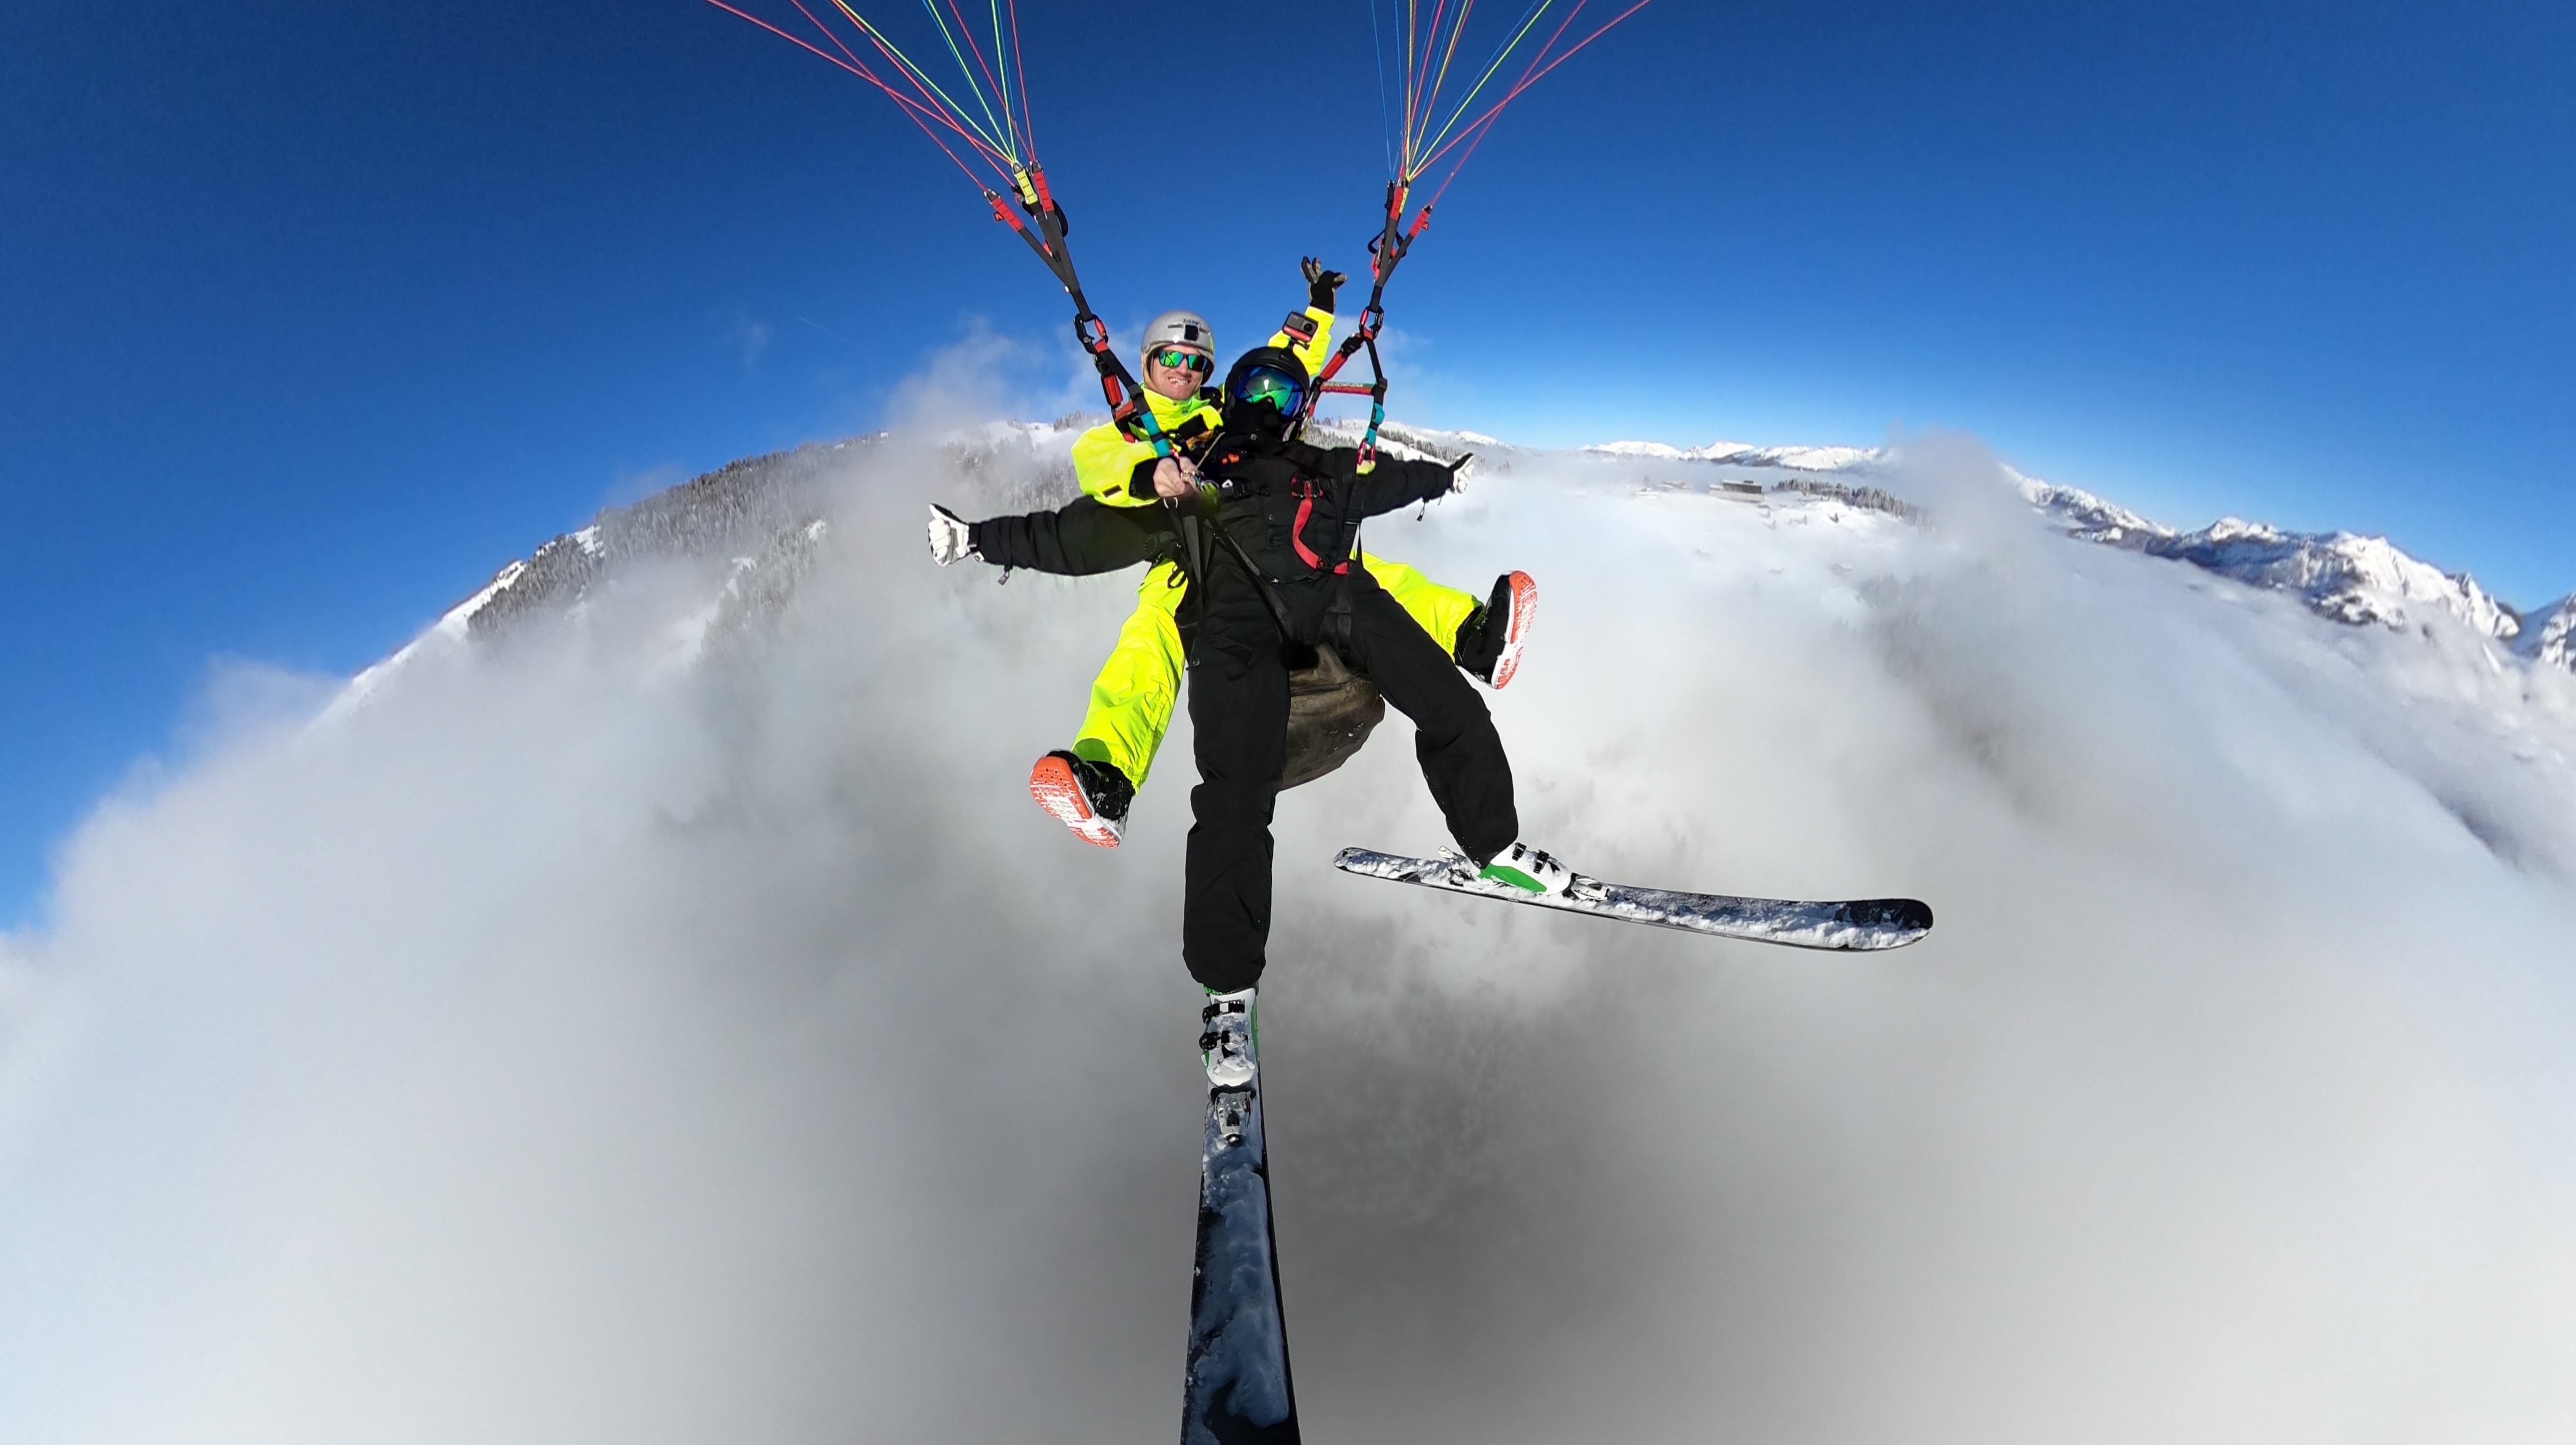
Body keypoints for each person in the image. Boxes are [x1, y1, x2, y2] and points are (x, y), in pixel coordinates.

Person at [927, 262, 1537, 847]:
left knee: (1368, 575)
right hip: (1191, 563)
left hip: (1277, 545)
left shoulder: (1223, 413)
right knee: (1148, 644)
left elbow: (1284, 365)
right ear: (1146, 363)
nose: (1183, 370)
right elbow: (1091, 486)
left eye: (1196, 362)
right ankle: (1106, 776)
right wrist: (1147, 477)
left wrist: (1319, 308)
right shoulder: (1128, 431)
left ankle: (1472, 636)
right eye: (1170, 357)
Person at [1169, 345, 1571, 1084]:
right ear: (1231, 397)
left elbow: (1383, 480)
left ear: (1301, 408)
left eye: (1283, 394)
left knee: (1451, 705)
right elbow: (1107, 514)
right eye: (1254, 388)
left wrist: (1439, 479)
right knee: (1233, 798)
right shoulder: (1199, 465)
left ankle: (1495, 848)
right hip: (1245, 618)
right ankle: (1227, 995)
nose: (1267, 404)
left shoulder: (1321, 467)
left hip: (1340, 598)